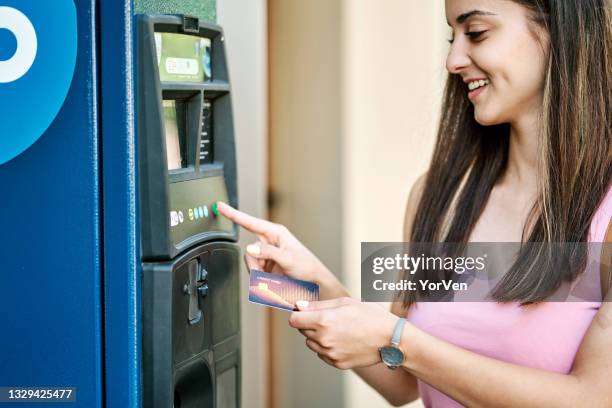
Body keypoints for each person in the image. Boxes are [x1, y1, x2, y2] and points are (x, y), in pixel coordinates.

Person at [217, 0, 612, 406]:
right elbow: (402, 381)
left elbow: (594, 398)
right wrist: (311, 289)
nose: (453, 60)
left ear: (559, 31)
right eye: (451, 38)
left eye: (475, 33)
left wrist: (399, 339)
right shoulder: (437, 198)